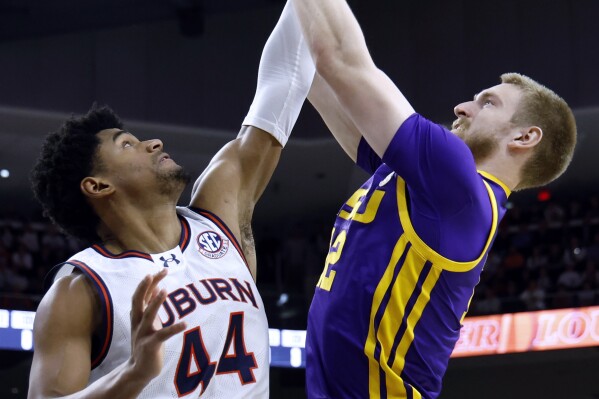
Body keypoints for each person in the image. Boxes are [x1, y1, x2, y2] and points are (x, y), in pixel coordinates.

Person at [286, 1, 577, 398]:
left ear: (524, 137)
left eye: (488, 102)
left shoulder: (459, 187)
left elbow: (340, 59)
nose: (462, 107)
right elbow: (313, 74)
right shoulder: (428, 182)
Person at [27, 3, 314, 398]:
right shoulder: (81, 290)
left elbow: (282, 86)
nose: (154, 143)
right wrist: (134, 372)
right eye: (127, 145)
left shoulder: (220, 218)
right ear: (97, 186)